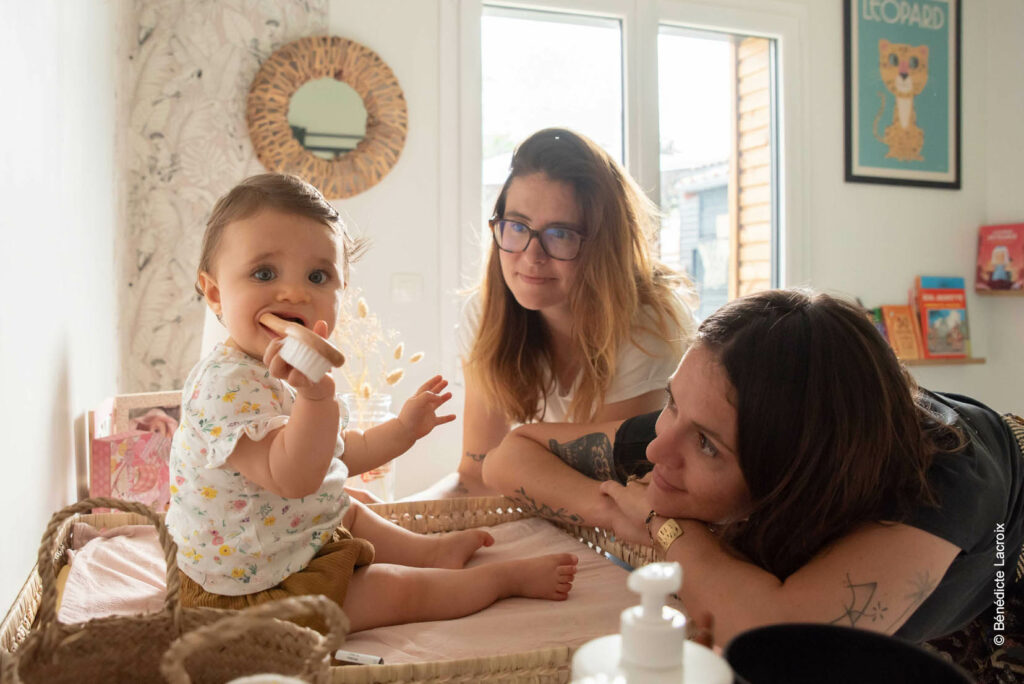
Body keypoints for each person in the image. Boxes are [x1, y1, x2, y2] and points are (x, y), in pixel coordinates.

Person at [483, 288, 1024, 649]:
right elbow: (510, 456)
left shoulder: (942, 486)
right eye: (672, 403)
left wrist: (661, 526)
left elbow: (778, 646)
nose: (654, 451)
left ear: (797, 479)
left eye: (708, 447)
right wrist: (611, 508)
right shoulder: (712, 411)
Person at [166, 173, 578, 633]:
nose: (295, 292)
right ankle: (497, 580)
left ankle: (431, 552)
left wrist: (403, 429)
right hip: (254, 589)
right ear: (217, 293)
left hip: (289, 536)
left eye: (318, 276)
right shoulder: (225, 388)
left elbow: (335, 454)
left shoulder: (279, 370)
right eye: (264, 274)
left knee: (348, 505)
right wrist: (316, 397)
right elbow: (295, 476)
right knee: (397, 589)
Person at [415, 128, 696, 498]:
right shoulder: (484, 314)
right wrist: (382, 523)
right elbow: (476, 476)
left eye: (560, 234)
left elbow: (604, 489)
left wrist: (516, 454)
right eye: (517, 227)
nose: (532, 256)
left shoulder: (650, 327)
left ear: (604, 245)